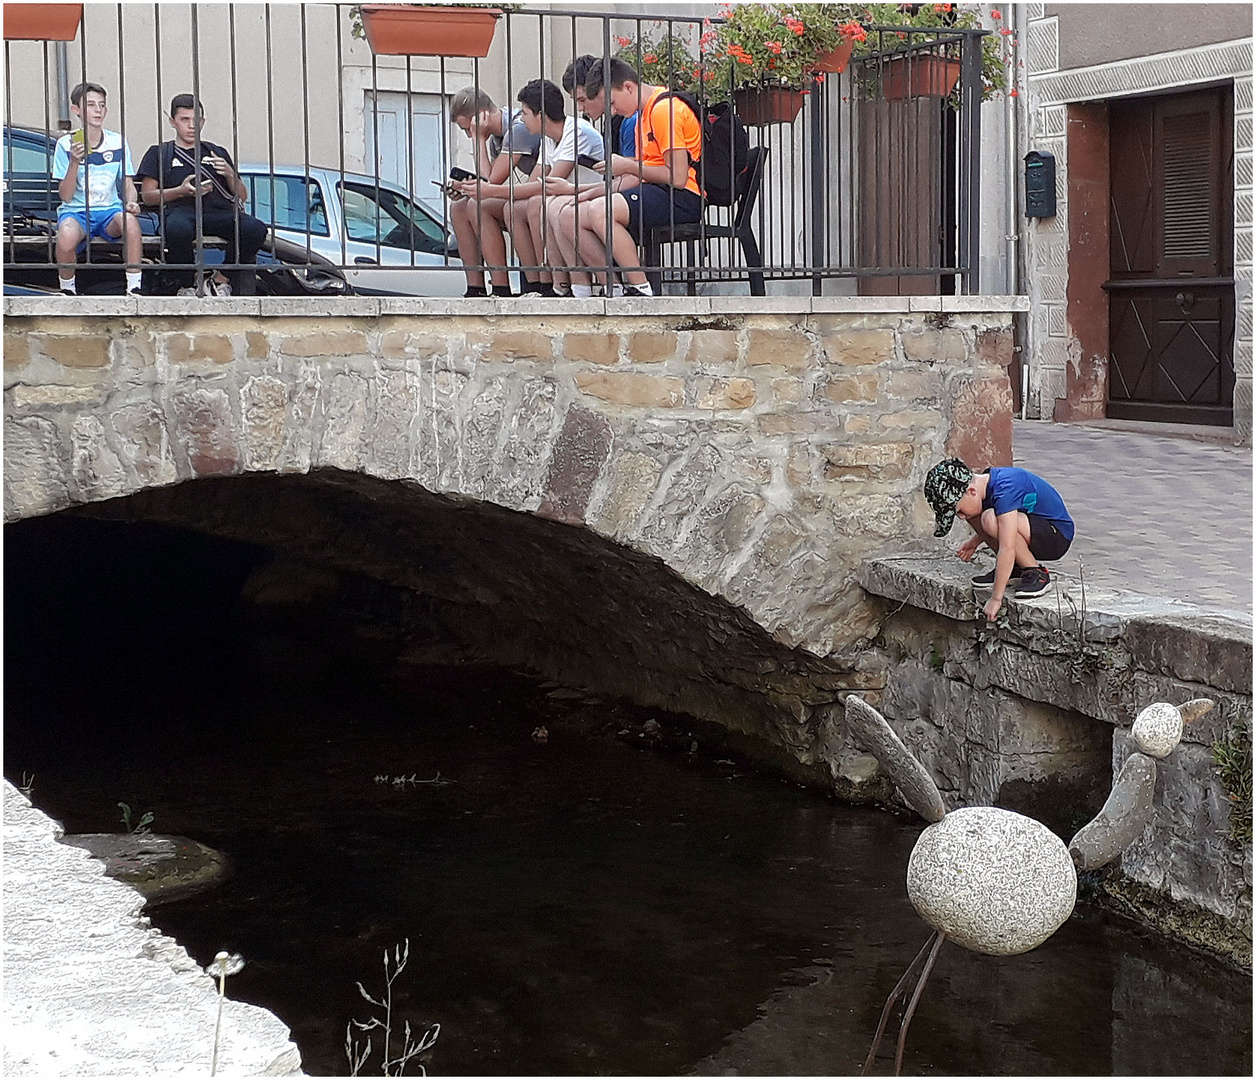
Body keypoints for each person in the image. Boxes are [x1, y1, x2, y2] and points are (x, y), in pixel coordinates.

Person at [555, 57, 703, 297]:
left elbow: (677, 177)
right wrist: (626, 167)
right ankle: (612, 288)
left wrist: (629, 166)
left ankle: (640, 287)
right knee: (570, 216)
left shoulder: (665, 110)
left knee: (601, 211)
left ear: (628, 87)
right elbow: (651, 165)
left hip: (683, 195)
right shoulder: (644, 113)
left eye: (612, 102)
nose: (612, 111)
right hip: (656, 189)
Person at [454, 78, 604, 297]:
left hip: (585, 197)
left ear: (540, 116)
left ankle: (548, 283)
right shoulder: (548, 138)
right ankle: (517, 285)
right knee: (495, 207)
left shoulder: (572, 131)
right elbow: (536, 181)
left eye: (524, 113)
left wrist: (488, 187)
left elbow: (546, 185)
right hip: (559, 196)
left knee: (530, 204)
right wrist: (477, 188)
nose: (521, 118)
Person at [136, 94, 267, 296]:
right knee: (177, 230)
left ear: (203, 122)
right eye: (184, 120)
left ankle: (220, 278)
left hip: (218, 212)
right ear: (173, 122)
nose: (191, 126)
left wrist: (230, 174)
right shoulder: (160, 153)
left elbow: (242, 195)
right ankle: (188, 283)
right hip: (181, 211)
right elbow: (147, 195)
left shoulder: (217, 152)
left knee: (255, 228)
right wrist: (180, 191)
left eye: (196, 120)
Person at [924, 457, 1075, 621]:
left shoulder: (1006, 488)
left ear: (971, 491)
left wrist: (996, 598)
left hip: (1056, 535)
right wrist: (975, 541)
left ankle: (1036, 573)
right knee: (975, 513)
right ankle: (1014, 569)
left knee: (989, 518)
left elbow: (1007, 546)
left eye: (957, 510)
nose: (959, 517)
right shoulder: (984, 485)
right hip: (1031, 528)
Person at [446, 86, 543, 298]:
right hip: (527, 194)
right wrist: (465, 188)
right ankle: (476, 287)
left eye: (467, 129)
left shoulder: (518, 128)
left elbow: (491, 181)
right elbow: (488, 183)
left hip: (544, 194)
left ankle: (501, 288)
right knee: (459, 208)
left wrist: (478, 139)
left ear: (481, 116)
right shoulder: (497, 137)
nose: (468, 134)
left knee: (477, 205)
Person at [51, 82, 144, 296]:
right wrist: (74, 162)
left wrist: (131, 202)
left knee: (131, 224)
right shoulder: (66, 144)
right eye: (91, 105)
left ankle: (134, 287)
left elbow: (128, 183)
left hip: (109, 210)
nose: (98, 110)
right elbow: (65, 196)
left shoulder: (117, 141)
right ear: (76, 110)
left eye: (101, 105)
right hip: (76, 211)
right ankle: (67, 289)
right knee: (65, 236)